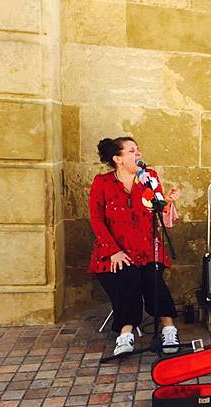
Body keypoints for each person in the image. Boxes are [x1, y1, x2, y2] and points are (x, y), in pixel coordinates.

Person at [89, 136, 182, 356]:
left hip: (147, 249)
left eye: (138, 150)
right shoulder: (102, 183)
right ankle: (125, 335)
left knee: (153, 277)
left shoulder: (149, 178)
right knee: (128, 277)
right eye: (131, 151)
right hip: (114, 252)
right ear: (118, 159)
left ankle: (169, 329)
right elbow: (96, 219)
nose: (138, 154)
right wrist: (113, 251)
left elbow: (157, 211)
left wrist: (168, 201)